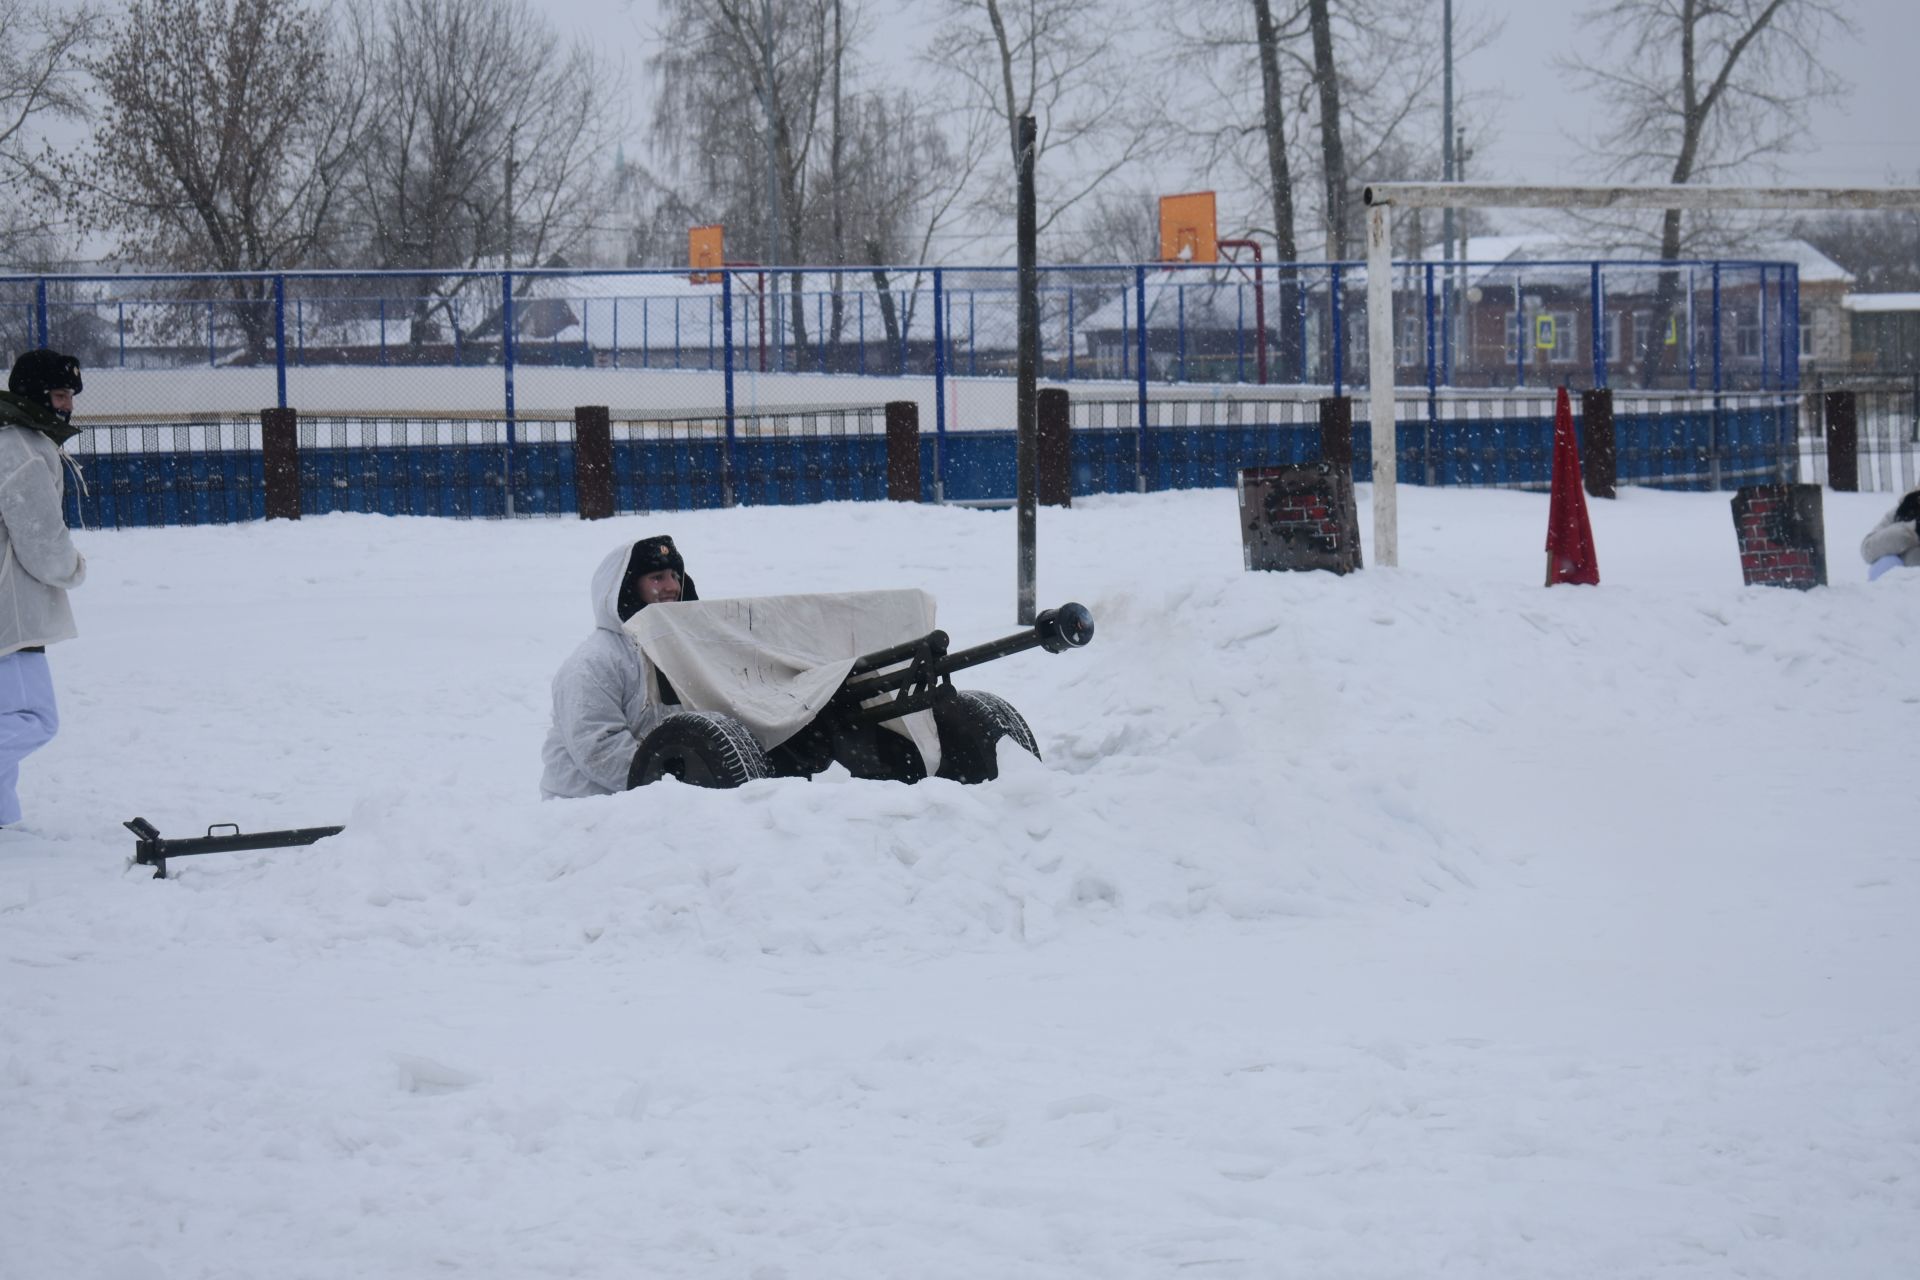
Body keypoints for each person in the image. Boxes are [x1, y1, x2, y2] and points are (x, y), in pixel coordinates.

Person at [0, 349, 87, 828]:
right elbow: (40, 541)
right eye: (59, 394)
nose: (68, 405)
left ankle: (5, 826)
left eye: (70, 395)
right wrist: (72, 568)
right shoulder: (21, 449)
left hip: (12, 605)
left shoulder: (17, 441)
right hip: (11, 609)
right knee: (34, 719)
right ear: (34, 395)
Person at [539, 535, 698, 798]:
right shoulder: (593, 663)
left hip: (658, 806)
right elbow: (599, 748)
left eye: (675, 576)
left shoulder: (678, 653)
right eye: (657, 577)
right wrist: (669, 781)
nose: (672, 586)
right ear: (626, 588)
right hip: (589, 813)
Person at [1860, 485, 1920, 581]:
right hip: (1893, 589)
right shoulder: (1905, 509)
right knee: (1887, 562)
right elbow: (1868, 550)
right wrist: (1911, 530)